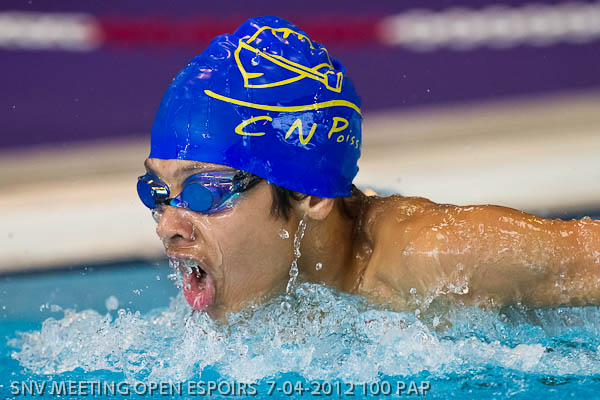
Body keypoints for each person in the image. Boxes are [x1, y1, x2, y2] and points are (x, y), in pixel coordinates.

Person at [138, 16, 600, 320]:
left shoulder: (438, 259)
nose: (167, 226)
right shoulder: (257, 285)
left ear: (309, 192)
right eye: (156, 191)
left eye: (203, 191)